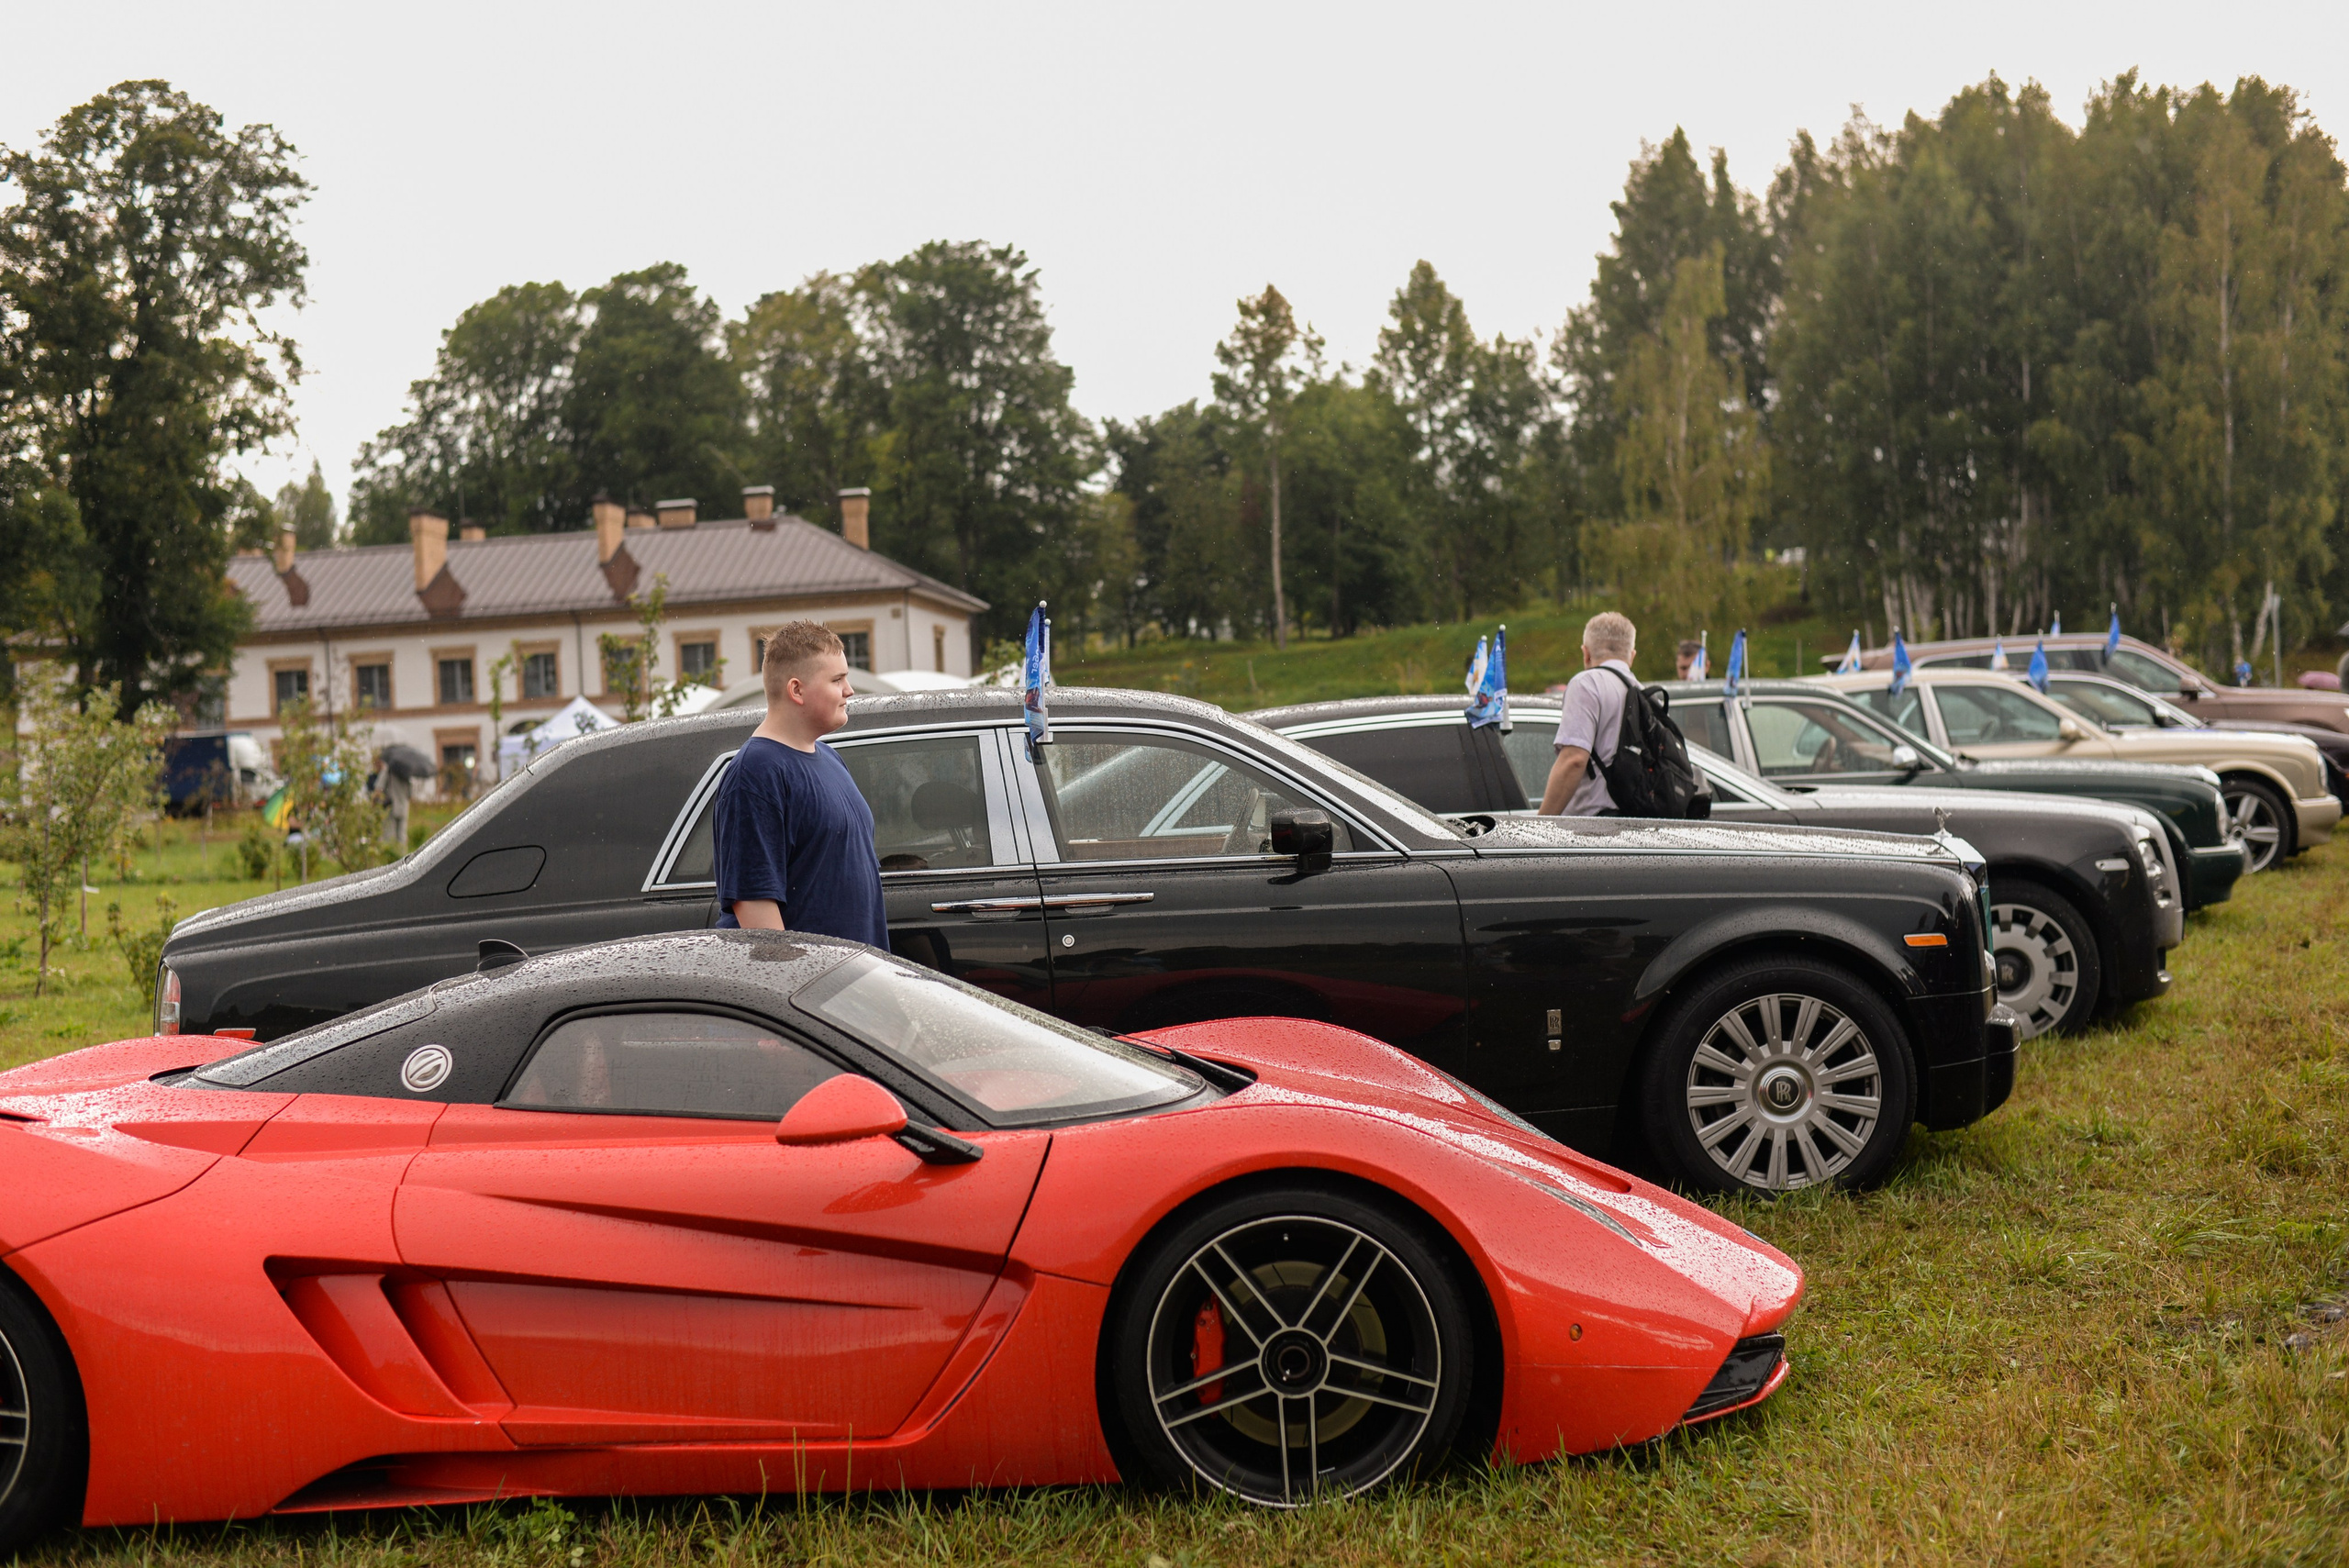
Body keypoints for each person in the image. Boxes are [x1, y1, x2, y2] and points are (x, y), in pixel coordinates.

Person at [709, 621, 889, 946]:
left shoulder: (830, 757)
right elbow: (755, 909)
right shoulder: (756, 772)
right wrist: (792, 989)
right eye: (837, 680)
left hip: (852, 982)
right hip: (805, 990)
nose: (849, 691)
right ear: (797, 690)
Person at [1537, 611, 1639, 816]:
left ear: (1586, 653)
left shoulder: (1586, 684)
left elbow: (1574, 760)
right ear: (1632, 656)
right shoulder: (1644, 693)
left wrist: (1541, 826)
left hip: (1593, 828)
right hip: (1634, 823)